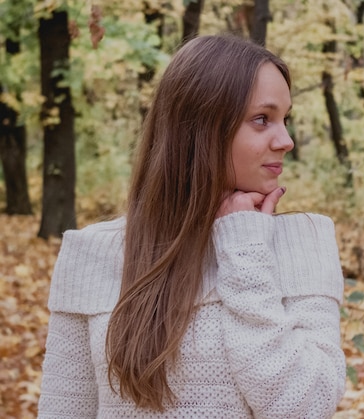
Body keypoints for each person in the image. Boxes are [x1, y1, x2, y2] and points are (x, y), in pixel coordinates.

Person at [37, 35, 346, 418]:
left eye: (286, 119)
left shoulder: (303, 243)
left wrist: (244, 248)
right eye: (262, 119)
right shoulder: (93, 253)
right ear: (199, 128)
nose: (286, 140)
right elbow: (64, 410)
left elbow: (306, 407)